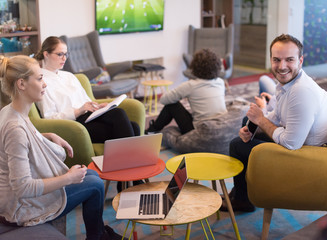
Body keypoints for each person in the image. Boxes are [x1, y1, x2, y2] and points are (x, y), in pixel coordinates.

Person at [0, 55, 125, 240]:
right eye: (40, 78)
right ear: (21, 84)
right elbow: (23, 188)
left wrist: (46, 136)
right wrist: (68, 178)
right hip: (21, 207)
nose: (45, 84)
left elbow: (11, 143)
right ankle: (97, 236)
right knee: (96, 184)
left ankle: (99, 233)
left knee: (91, 174)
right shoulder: (15, 126)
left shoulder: (10, 111)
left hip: (14, 199)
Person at [221, 34, 327, 212]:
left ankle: (242, 199)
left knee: (237, 146)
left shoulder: (302, 92)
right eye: (277, 60)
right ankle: (241, 192)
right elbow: (276, 116)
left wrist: (260, 119)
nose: (282, 66)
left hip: (311, 156)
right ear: (270, 59)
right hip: (303, 142)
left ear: (300, 60)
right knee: (248, 122)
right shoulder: (290, 83)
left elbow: (291, 143)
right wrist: (252, 127)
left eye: (289, 60)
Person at [34, 36, 141, 192]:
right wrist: (78, 111)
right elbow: (49, 117)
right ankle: (133, 180)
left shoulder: (69, 76)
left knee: (132, 125)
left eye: (66, 54)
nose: (64, 58)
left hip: (90, 117)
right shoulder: (41, 81)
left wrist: (99, 106)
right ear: (46, 54)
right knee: (123, 119)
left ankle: (124, 182)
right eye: (60, 54)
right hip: (75, 125)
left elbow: (87, 101)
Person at [146, 48, 227, 134]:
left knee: (172, 105)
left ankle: (152, 130)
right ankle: (153, 130)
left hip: (200, 131)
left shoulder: (190, 85)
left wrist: (180, 94)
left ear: (195, 67)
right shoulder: (220, 82)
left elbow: (163, 100)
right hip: (221, 126)